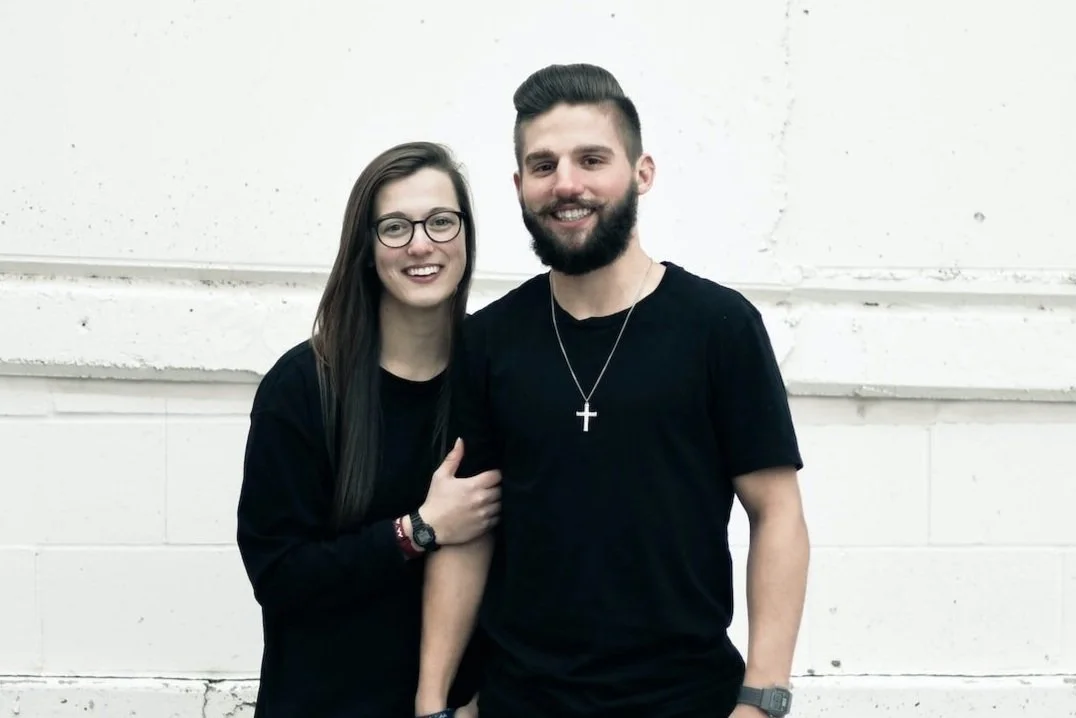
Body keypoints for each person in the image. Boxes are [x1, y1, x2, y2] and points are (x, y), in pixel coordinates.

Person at [414, 65, 810, 718]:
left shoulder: (719, 327)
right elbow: (470, 530)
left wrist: (762, 700)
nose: (566, 183)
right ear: (519, 186)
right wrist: (432, 703)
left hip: (687, 700)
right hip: (522, 702)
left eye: (591, 159)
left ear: (642, 172)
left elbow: (778, 513)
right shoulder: (488, 340)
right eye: (543, 165)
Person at [236, 141, 501, 718]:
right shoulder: (303, 388)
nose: (421, 244)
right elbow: (278, 576)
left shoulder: (496, 377)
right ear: (366, 248)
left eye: (441, 221)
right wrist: (417, 530)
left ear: (465, 235)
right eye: (395, 227)